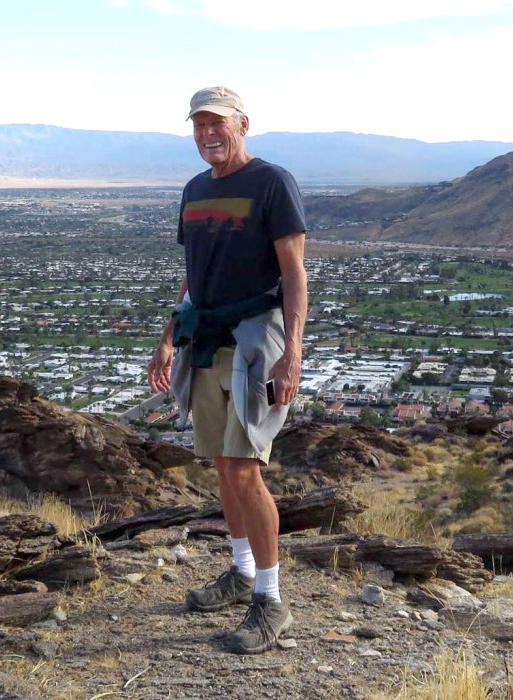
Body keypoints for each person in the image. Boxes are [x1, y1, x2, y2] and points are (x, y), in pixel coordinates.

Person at [148, 86, 307, 654]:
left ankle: (271, 599)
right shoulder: (194, 191)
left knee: (245, 469)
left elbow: (293, 274)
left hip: (255, 340)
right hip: (206, 338)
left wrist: (293, 351)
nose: (208, 134)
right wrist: (168, 337)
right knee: (221, 463)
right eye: (199, 126)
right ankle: (241, 573)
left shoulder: (271, 182)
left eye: (218, 124)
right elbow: (194, 273)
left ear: (243, 124)